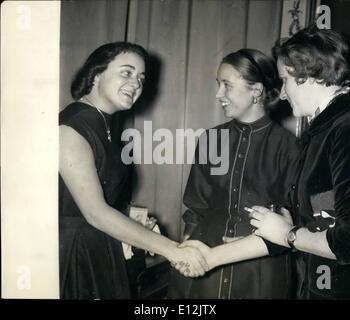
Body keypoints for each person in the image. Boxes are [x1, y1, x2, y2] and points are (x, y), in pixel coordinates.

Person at [59, 42, 208, 299]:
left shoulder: (102, 126)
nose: (136, 83)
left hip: (99, 247)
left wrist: (131, 219)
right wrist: (172, 249)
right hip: (75, 255)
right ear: (95, 75)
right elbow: (95, 212)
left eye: (141, 77)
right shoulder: (71, 127)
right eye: (126, 73)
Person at [168, 48, 300, 299]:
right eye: (218, 85)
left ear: (256, 91)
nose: (219, 94)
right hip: (205, 270)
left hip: (261, 273)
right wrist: (185, 258)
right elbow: (196, 208)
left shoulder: (290, 148)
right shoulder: (211, 140)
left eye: (226, 85)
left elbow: (293, 222)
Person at [248, 25, 350, 299]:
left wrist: (289, 235)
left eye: (285, 80)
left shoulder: (344, 127)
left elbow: (347, 242)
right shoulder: (325, 128)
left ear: (310, 75)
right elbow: (328, 216)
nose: (282, 94)